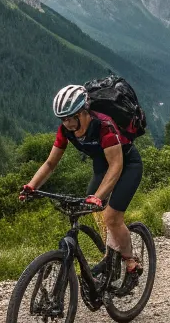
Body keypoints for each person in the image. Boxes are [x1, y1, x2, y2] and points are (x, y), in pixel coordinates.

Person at [20, 83, 144, 289]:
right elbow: (51, 163)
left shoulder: (104, 126)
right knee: (92, 209)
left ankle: (131, 263)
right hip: (102, 166)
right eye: (63, 118)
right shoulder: (65, 130)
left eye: (71, 118)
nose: (67, 123)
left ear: (83, 112)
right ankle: (111, 254)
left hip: (127, 165)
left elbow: (116, 165)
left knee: (112, 217)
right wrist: (32, 185)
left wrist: (100, 195)